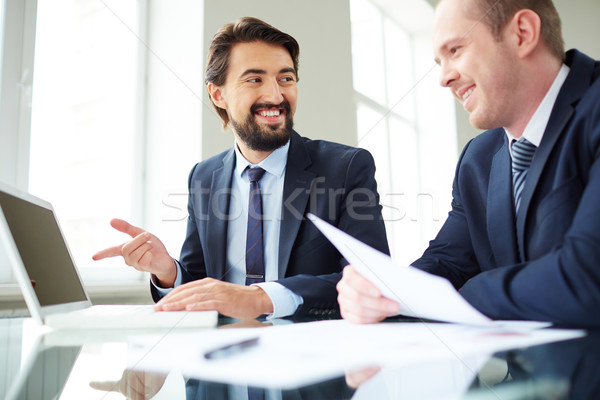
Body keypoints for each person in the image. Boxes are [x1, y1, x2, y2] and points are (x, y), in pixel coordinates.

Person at [93, 17, 389, 320]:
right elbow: (202, 282)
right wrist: (168, 272)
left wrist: (263, 299)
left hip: (314, 353)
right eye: (254, 79)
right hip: (223, 353)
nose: (276, 96)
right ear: (218, 94)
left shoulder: (347, 167)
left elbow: (370, 280)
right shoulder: (203, 177)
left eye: (285, 79)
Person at [337, 0, 600, 328]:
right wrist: (386, 293)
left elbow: (588, 277)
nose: (444, 78)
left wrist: (458, 296)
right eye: (439, 60)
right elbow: (449, 262)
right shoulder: (478, 159)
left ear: (523, 34)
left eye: (455, 50)